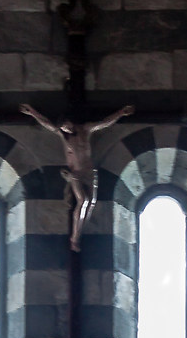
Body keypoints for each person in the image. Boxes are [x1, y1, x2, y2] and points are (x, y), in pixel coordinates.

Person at [19, 102, 135, 247]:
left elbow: (104, 123)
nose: (66, 129)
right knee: (83, 201)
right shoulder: (63, 136)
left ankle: (79, 233)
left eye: (67, 125)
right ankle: (75, 238)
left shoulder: (85, 129)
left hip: (90, 173)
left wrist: (121, 113)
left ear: (70, 121)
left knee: (91, 204)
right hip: (75, 174)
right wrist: (32, 112)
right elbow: (47, 124)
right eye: (63, 128)